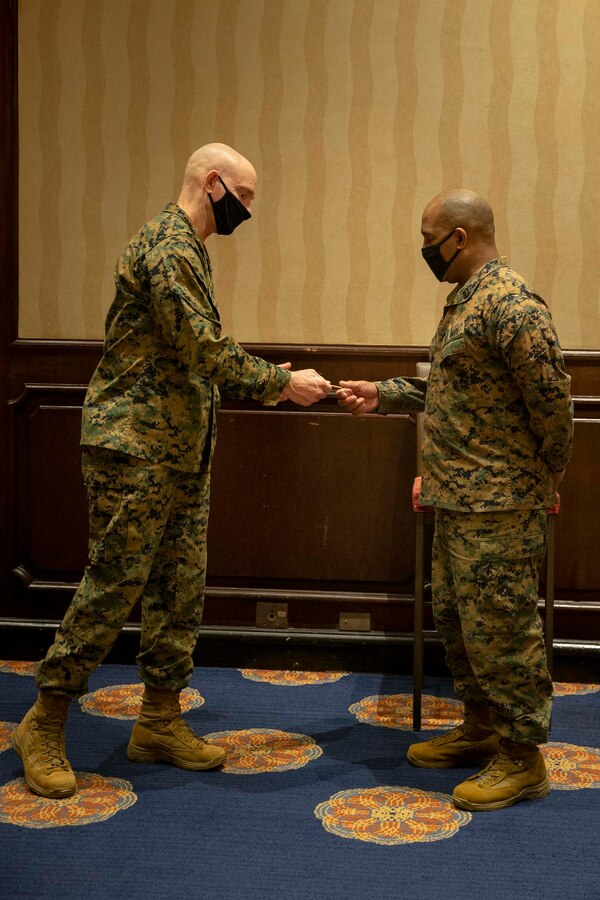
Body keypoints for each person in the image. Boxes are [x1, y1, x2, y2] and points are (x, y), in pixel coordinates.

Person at [13, 142, 331, 799]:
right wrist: (280, 382)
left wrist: (261, 380)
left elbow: (188, 355)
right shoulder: (168, 247)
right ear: (212, 182)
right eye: (244, 196)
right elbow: (201, 347)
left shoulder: (191, 249)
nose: (248, 211)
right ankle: (44, 719)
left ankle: (158, 720)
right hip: (134, 446)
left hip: (178, 449)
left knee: (178, 587)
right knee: (113, 585)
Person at [338, 189, 573, 812]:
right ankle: (481, 728)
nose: (424, 250)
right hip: (456, 501)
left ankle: (523, 757)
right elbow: (453, 391)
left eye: (428, 238)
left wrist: (544, 475)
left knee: (504, 631)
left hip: (498, 507)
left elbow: (553, 405)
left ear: (460, 237)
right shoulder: (466, 301)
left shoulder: (512, 305)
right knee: (461, 625)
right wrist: (383, 393)